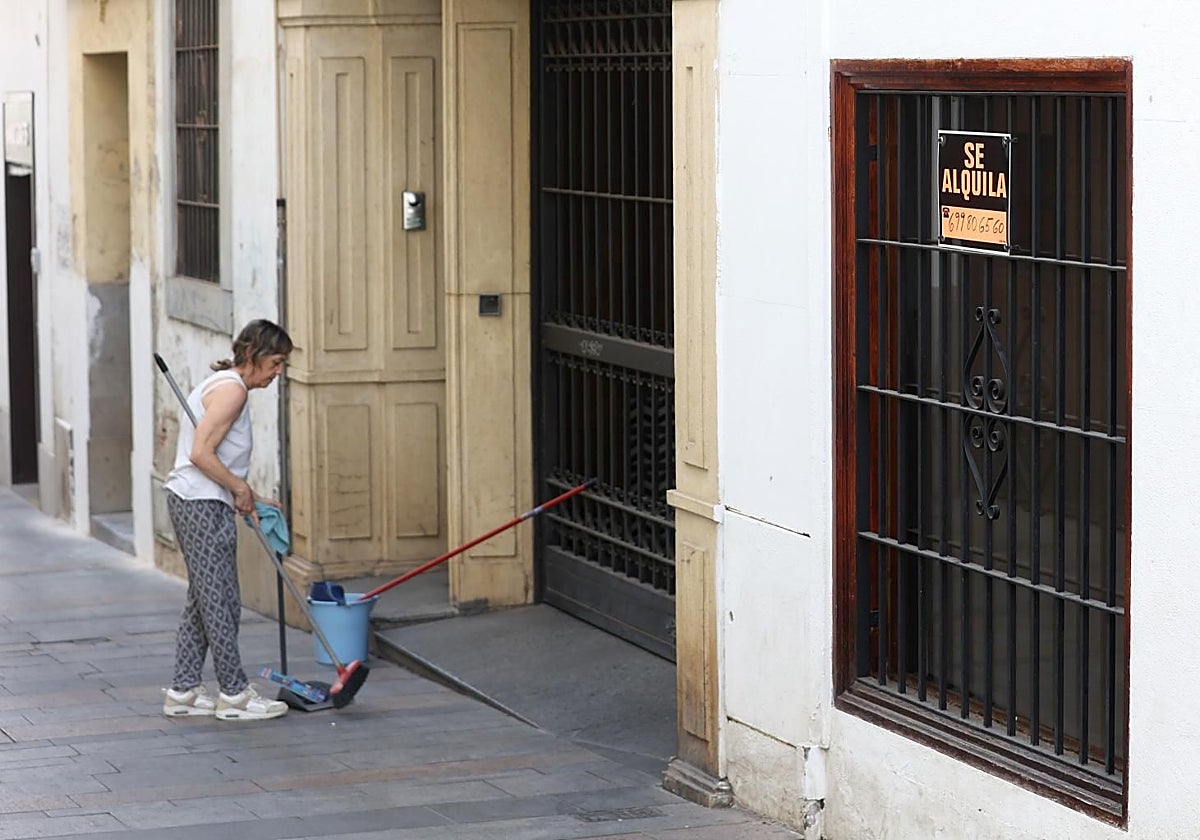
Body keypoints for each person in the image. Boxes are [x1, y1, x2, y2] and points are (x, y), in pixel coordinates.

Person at [161, 319, 293, 721]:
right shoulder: (232, 391)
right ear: (253, 355)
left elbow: (215, 455)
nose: (279, 372)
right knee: (221, 600)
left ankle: (183, 690)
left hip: (197, 499)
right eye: (276, 362)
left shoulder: (224, 385)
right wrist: (237, 487)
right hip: (200, 502)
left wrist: (247, 491)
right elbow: (201, 453)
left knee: (203, 600)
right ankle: (234, 695)